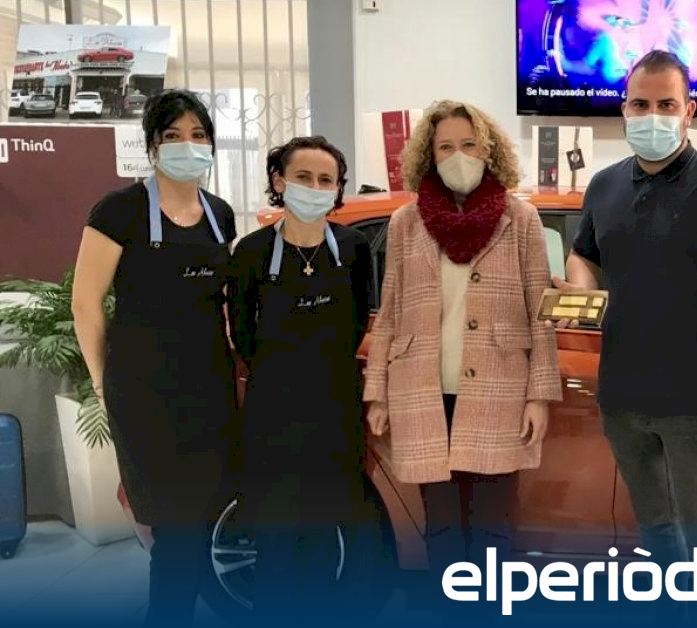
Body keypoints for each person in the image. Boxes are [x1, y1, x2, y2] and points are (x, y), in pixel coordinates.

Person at [556, 50, 697, 613]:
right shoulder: (603, 186)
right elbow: (584, 254)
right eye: (640, 104)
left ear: (689, 111)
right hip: (622, 399)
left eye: (666, 104)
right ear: (623, 110)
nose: (652, 116)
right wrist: (581, 288)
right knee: (656, 533)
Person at [362, 100, 562, 611]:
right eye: (446, 146)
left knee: (494, 527)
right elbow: (390, 311)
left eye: (469, 144)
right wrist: (377, 392)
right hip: (423, 392)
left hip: (498, 390)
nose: (458, 155)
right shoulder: (407, 222)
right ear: (428, 155)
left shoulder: (520, 218)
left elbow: (540, 311)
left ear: (488, 150)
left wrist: (539, 396)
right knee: (443, 529)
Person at [71, 89, 237, 626]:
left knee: (202, 521)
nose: (188, 145)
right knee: (176, 529)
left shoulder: (219, 214)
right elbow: (85, 303)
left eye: (198, 135)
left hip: (209, 389)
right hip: (146, 393)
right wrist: (101, 383)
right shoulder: (118, 212)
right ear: (152, 145)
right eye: (173, 135)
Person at [227, 136, 376, 623]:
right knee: (275, 541)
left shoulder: (353, 249)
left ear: (338, 190)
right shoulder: (251, 252)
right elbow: (243, 334)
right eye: (303, 177)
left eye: (326, 180)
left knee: (327, 538)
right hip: (272, 417)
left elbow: (358, 323)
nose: (315, 188)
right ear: (279, 181)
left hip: (335, 415)